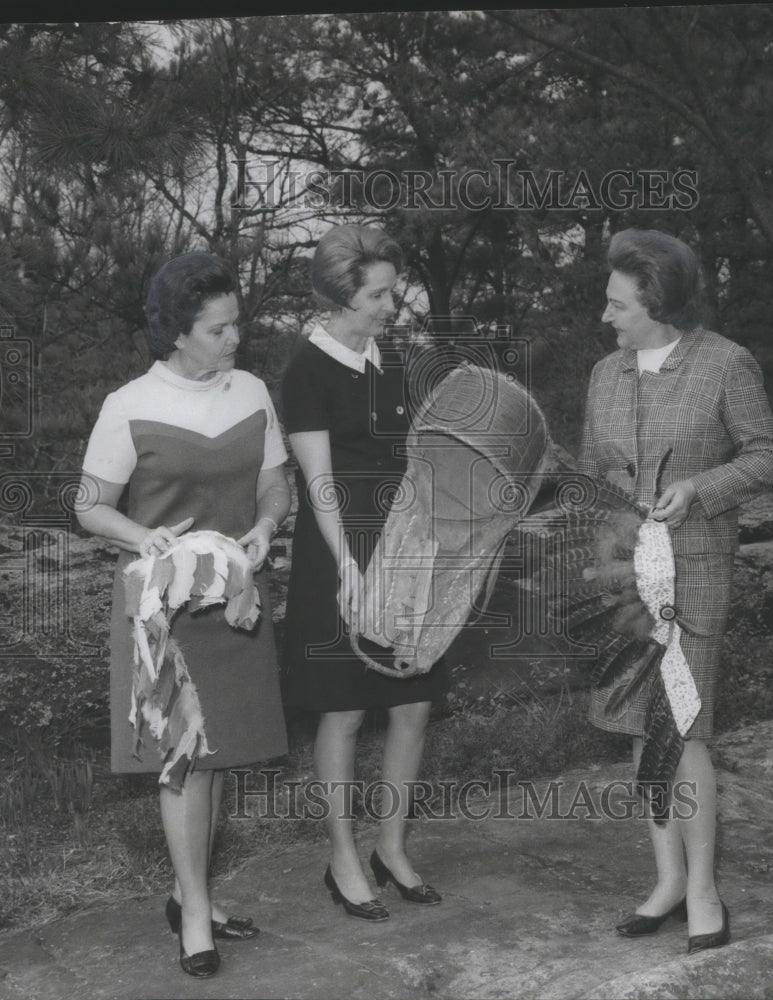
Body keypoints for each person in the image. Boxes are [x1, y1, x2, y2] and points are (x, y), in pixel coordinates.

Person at [76, 252, 290, 978]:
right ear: (178, 334)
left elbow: (274, 483)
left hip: (232, 602)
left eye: (237, 324)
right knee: (182, 761)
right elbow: (89, 505)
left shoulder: (253, 391)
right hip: (162, 610)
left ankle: (187, 892)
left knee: (220, 755)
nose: (235, 338)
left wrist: (264, 529)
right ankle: (195, 913)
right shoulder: (128, 404)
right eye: (218, 328)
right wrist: (143, 535)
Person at [578, 228, 773, 954]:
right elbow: (591, 469)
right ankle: (665, 878)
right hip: (623, 571)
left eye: (618, 306)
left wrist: (697, 487)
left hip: (695, 568)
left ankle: (703, 889)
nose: (606, 317)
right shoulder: (605, 374)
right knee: (640, 723)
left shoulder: (725, 364)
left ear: (657, 302)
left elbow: (765, 455)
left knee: (683, 724)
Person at [281, 224, 447, 920]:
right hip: (340, 549)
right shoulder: (305, 371)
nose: (390, 305)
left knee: (412, 703)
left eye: (391, 291)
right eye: (378, 294)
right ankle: (342, 856)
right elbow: (316, 482)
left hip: (405, 544)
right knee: (345, 709)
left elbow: (419, 458)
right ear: (339, 295)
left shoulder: (395, 359)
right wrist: (348, 568)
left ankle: (392, 847)